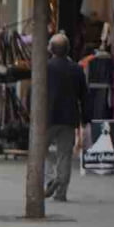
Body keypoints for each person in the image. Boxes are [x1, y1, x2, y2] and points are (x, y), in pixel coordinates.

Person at [45, 33, 89, 203]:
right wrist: (85, 119)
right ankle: (61, 192)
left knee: (39, 150)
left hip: (48, 117)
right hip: (69, 118)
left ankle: (51, 179)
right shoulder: (77, 69)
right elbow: (84, 96)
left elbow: (34, 92)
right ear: (68, 49)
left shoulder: (45, 67)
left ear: (51, 49)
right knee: (65, 155)